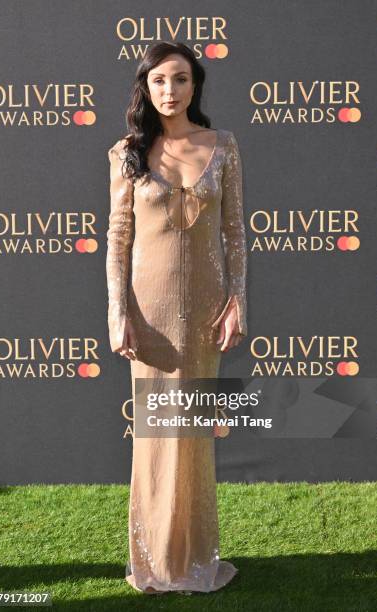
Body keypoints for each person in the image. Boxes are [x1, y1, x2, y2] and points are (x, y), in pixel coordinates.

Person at [106, 41, 247, 594]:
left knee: (191, 434)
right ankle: (155, 562)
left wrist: (238, 300)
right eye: (160, 80)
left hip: (206, 311)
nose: (170, 91)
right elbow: (117, 240)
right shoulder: (126, 152)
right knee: (155, 433)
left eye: (181, 80)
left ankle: (193, 557)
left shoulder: (224, 146)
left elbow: (235, 232)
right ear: (145, 86)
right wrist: (118, 313)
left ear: (196, 85)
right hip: (151, 311)